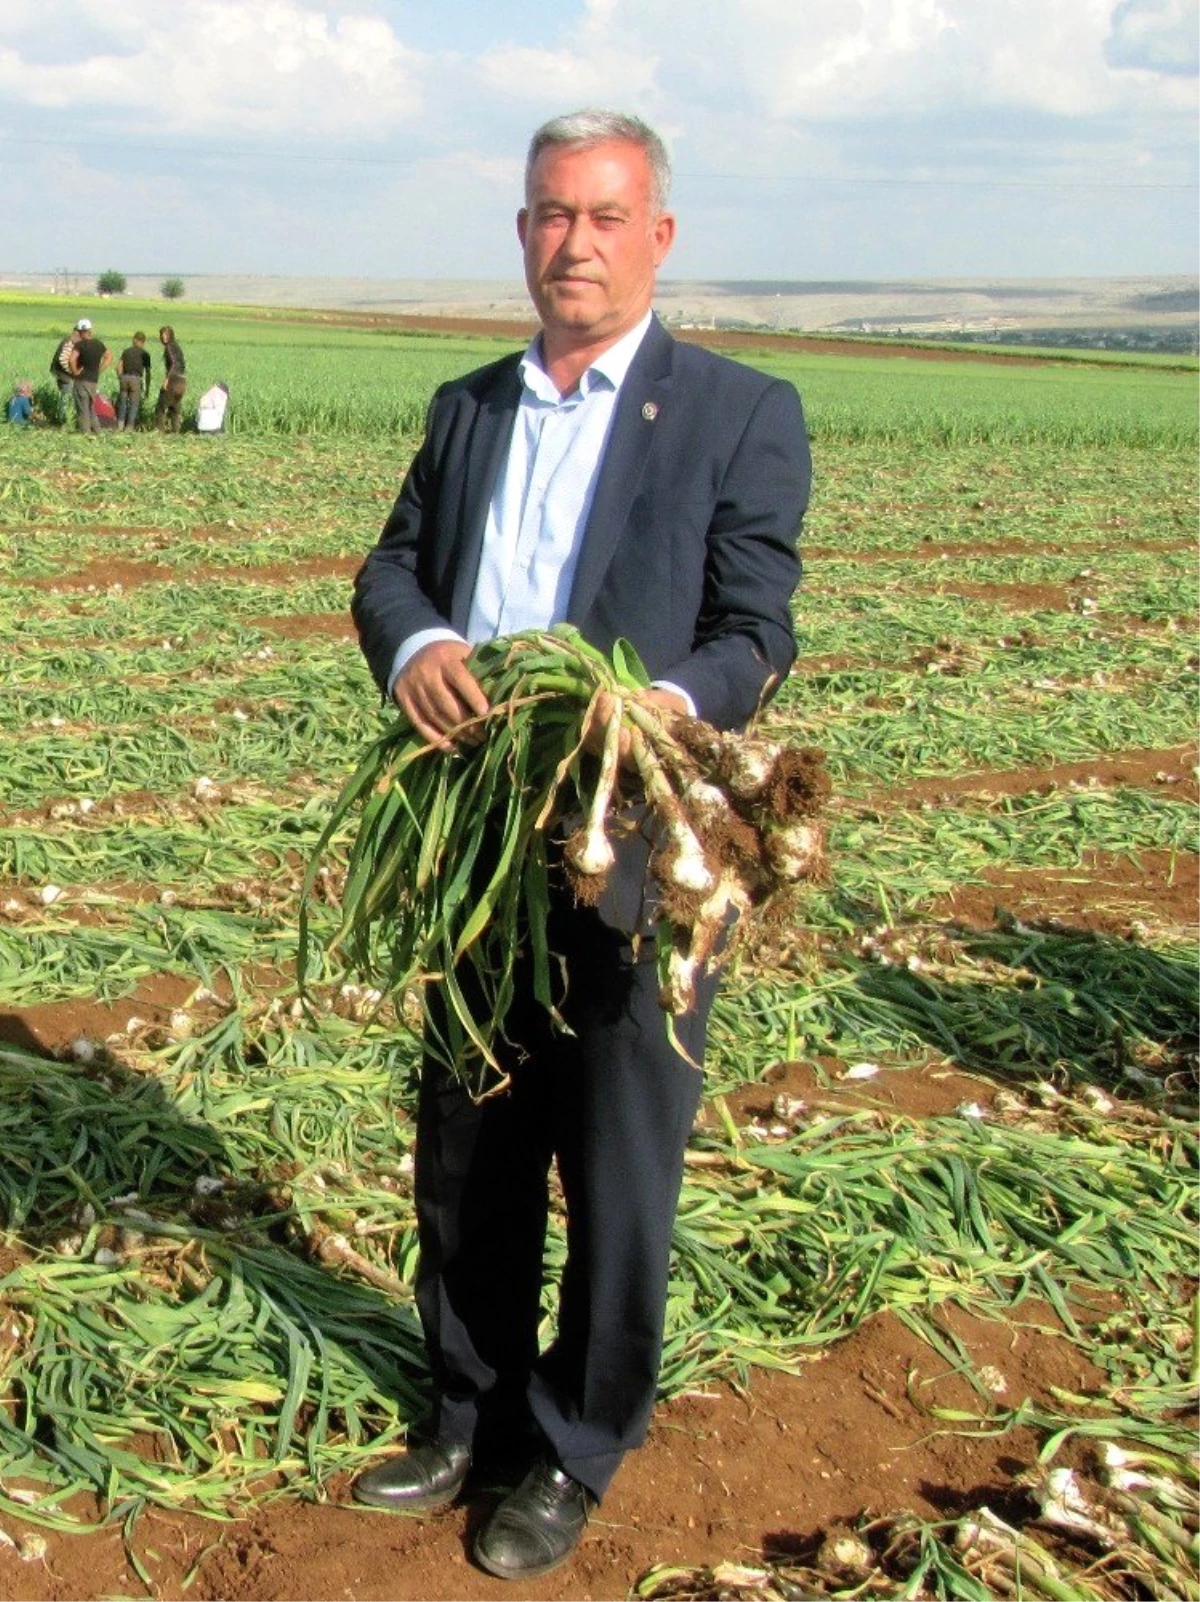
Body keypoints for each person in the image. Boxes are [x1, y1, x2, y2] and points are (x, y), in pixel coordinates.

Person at [349, 109, 810, 1582]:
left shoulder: (738, 410)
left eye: (605, 217)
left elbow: (755, 629)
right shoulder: (470, 406)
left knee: (618, 1165)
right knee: (470, 1143)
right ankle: (468, 1410)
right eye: (552, 215)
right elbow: (393, 563)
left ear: (657, 237)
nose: (575, 243)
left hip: (636, 841)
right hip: (480, 835)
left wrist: (655, 709)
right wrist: (416, 639)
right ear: (523, 232)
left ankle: (575, 1442)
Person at [70, 321, 112, 433]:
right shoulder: (98, 344)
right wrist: (99, 369)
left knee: (83, 409)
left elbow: (72, 359)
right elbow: (109, 357)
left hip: (81, 381)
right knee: (91, 408)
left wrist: (75, 372)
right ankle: (98, 431)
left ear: (82, 332)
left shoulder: (79, 345)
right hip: (93, 381)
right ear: (90, 331)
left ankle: (85, 433)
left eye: (79, 332)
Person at [115, 332, 152, 431]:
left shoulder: (126, 351)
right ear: (143, 342)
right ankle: (129, 427)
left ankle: (120, 425)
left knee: (122, 403)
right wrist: (147, 388)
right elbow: (148, 373)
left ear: (134, 339)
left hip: (124, 378)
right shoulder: (145, 354)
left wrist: (120, 377)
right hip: (136, 379)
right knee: (134, 404)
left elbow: (118, 366)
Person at [154, 325, 186, 431]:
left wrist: (167, 379)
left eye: (166, 335)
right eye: (162, 335)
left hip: (174, 380)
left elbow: (174, 363)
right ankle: (176, 432)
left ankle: (160, 431)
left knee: (160, 407)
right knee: (175, 408)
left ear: (170, 335)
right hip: (182, 381)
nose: (164, 337)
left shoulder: (169, 347)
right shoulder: (177, 346)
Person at [49, 325, 82, 423]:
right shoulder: (70, 341)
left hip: (61, 373)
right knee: (66, 398)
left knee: (66, 397)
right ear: (77, 332)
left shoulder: (70, 339)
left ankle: (65, 419)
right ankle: (63, 420)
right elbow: (63, 360)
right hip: (65, 375)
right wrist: (73, 372)